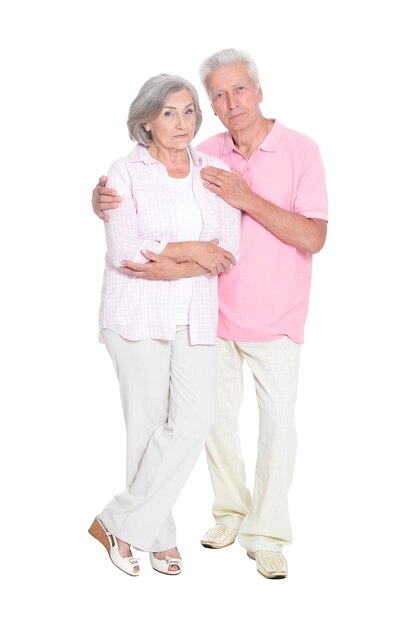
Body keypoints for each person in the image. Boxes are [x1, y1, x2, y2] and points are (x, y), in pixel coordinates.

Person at [92, 49, 328, 579]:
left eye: (238, 90)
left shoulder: (284, 153)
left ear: (258, 90)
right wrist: (104, 201)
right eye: (216, 96)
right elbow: (134, 227)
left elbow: (304, 237)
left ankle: (260, 533)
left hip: (272, 315)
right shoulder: (194, 156)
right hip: (200, 314)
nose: (228, 103)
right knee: (190, 427)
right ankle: (196, 523)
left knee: (267, 430)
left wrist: (236, 208)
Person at [88, 73, 240, 577]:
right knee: (147, 426)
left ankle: (117, 522)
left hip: (195, 315)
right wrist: (195, 251)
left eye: (190, 111)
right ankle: (158, 536)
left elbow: (228, 250)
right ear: (147, 122)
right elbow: (124, 251)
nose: (182, 122)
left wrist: (171, 259)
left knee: (194, 421)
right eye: (169, 113)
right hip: (135, 316)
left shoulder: (213, 171)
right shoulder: (123, 174)